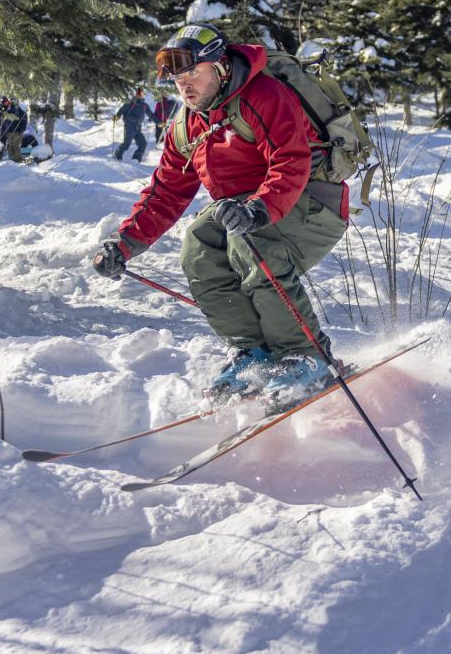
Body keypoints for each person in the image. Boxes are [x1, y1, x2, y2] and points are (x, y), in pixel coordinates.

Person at [92, 24, 349, 403]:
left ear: (221, 66)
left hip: (311, 201)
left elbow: (291, 161)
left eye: (193, 73)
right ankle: (254, 351)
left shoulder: (263, 95)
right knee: (199, 245)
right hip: (247, 211)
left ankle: (306, 356)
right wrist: (124, 243)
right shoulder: (186, 125)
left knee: (251, 243)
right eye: (178, 79)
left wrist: (259, 209)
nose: (185, 85)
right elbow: (165, 192)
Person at [113, 88, 151, 162]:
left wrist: (159, 122)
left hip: (138, 127)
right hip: (129, 125)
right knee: (126, 144)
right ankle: (117, 155)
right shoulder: (130, 103)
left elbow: (151, 115)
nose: (141, 95)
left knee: (142, 144)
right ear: (136, 94)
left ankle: (136, 159)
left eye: (142, 94)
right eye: (139, 93)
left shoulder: (144, 105)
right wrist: (117, 116)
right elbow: (122, 110)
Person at [0, 96, 28, 162]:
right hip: (0, 131)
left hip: (10, 131)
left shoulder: (15, 110)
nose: (7, 103)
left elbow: (21, 120)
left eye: (7, 102)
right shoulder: (0, 109)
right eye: (5, 102)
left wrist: (21, 129)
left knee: (12, 146)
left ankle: (15, 159)